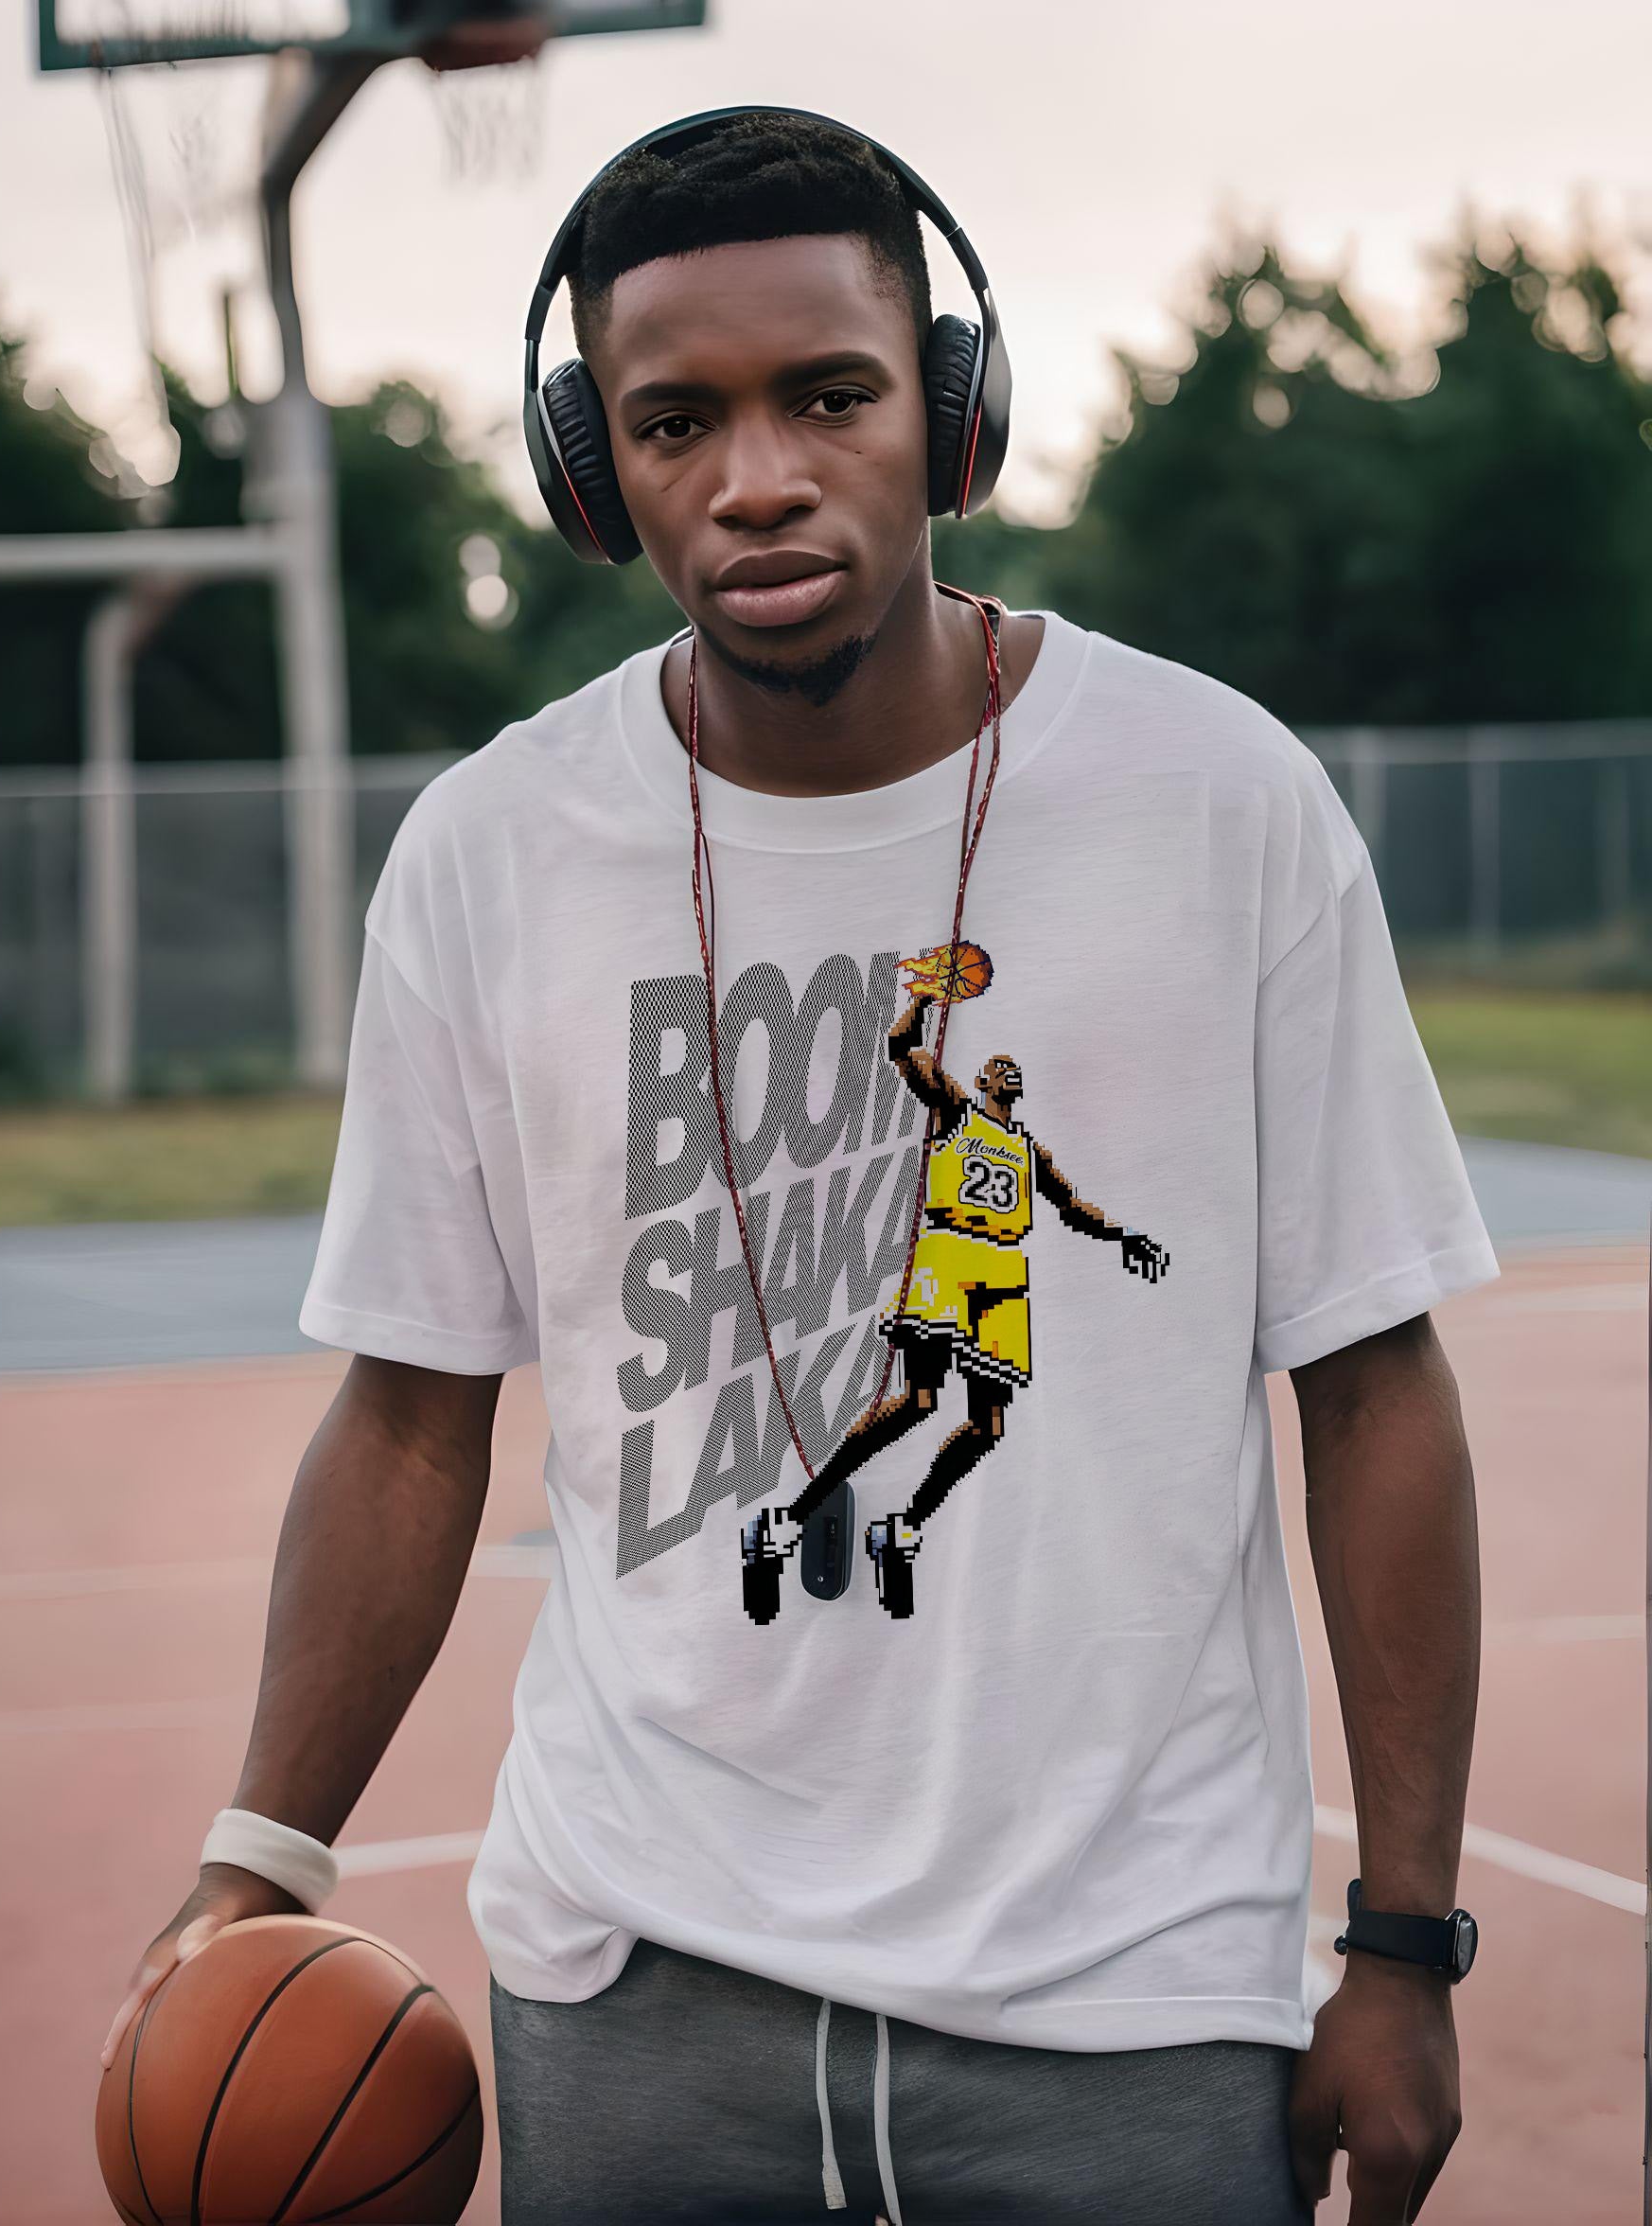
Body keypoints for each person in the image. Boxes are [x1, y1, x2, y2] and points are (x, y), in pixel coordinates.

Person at [105, 110, 1496, 2226]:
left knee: (943, 1406)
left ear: (948, 420)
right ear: (595, 478)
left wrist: (1402, 1941)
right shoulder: (488, 860)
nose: (755, 475)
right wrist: (263, 1853)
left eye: (827, 394)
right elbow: (405, 1419)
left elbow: (1374, 1391)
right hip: (637, 1986)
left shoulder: (1218, 803)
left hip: (1123, 1999)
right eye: (674, 421)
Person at [743, 985, 1169, 1623]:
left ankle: (902, 1527)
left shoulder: (1029, 1151)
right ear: (980, 1077)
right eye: (997, 1065)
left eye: (1012, 1068)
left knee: (987, 1424)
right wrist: (920, 998)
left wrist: (1123, 1235)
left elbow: (1072, 1207)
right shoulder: (956, 1112)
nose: (1007, 1069)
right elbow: (900, 1048)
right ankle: (789, 1521)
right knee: (919, 1401)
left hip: (1001, 1275)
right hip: (951, 1258)